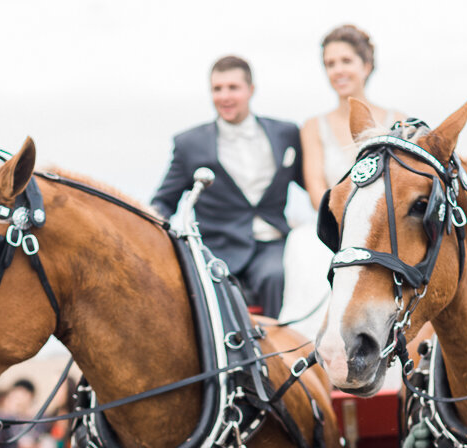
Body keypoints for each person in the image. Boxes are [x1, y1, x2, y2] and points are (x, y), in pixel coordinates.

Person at [151, 55, 303, 317]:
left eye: (233, 88)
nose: (224, 96)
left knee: (276, 275)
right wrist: (149, 228)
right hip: (216, 247)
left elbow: (311, 183)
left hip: (271, 244)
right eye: (217, 89)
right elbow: (164, 201)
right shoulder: (190, 144)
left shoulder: (286, 133)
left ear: (251, 90)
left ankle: (278, 341)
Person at [281, 24, 405, 334]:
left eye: (346, 61)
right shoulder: (313, 126)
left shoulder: (398, 122)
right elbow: (316, 190)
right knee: (301, 244)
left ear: (366, 65)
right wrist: (346, 226)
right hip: (332, 226)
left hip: (382, 229)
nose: (337, 70)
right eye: (330, 63)